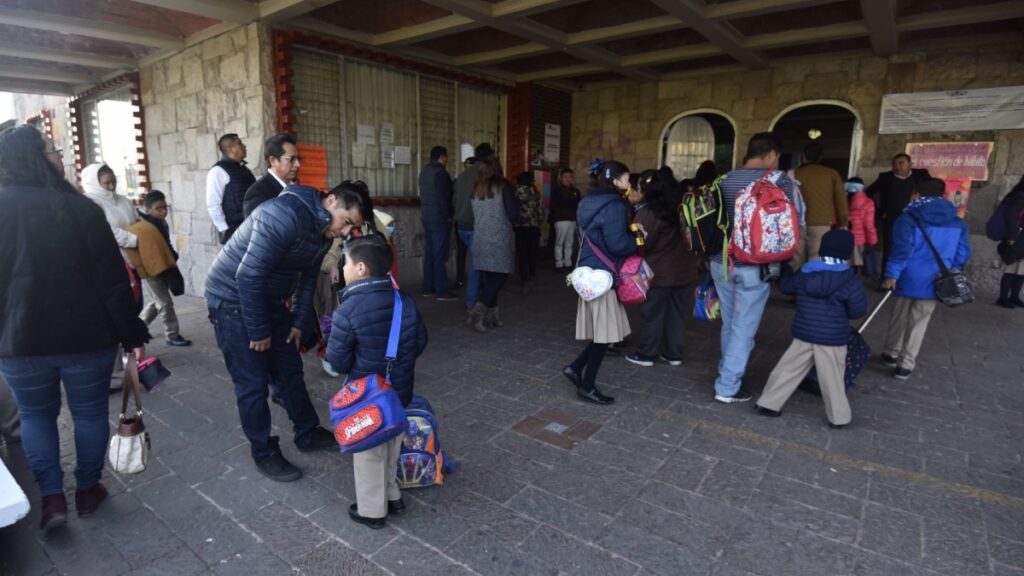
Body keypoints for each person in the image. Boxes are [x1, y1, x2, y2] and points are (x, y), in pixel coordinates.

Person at [0, 125, 150, 530]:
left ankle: (52, 500)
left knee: (35, 417)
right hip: (87, 338)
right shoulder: (80, 209)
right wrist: (132, 335)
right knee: (87, 413)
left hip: (19, 342)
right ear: (35, 156)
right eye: (52, 150)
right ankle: (87, 490)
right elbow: (112, 283)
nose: (59, 156)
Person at [205, 182, 366, 481]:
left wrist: (298, 322)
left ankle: (307, 432)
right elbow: (248, 275)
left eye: (351, 227)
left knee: (290, 368)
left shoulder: (322, 230)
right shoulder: (283, 214)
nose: (345, 232)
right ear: (330, 201)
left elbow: (306, 280)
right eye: (346, 222)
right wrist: (258, 330)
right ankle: (263, 452)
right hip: (232, 300)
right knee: (253, 382)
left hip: (267, 299)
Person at [325, 236, 428, 529]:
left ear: (360, 268)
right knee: (393, 441)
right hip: (399, 391)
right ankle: (393, 495)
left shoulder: (347, 311)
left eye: (344, 263)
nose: (342, 269)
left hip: (366, 398)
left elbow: (338, 361)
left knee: (369, 451)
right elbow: (420, 342)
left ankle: (372, 511)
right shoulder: (404, 301)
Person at [709, 132, 796, 404]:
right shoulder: (778, 180)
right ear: (771, 154)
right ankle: (727, 387)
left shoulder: (722, 180)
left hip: (720, 261)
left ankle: (728, 370)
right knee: (743, 328)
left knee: (731, 323)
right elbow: (791, 222)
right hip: (755, 265)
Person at [754, 230, 866, 427]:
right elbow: (857, 311)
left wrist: (787, 270)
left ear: (822, 248)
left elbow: (787, 288)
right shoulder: (851, 280)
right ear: (847, 253)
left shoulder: (805, 271)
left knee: (787, 370)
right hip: (833, 338)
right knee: (832, 379)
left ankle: (768, 404)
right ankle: (838, 418)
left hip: (804, 333)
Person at [880, 178, 971, 380]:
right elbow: (963, 253)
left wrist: (892, 274)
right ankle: (905, 364)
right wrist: (951, 269)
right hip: (936, 280)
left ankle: (891, 353)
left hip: (907, 277)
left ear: (917, 194)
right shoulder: (957, 222)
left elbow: (902, 251)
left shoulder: (907, 219)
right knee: (919, 320)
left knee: (899, 315)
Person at [562, 160, 637, 405]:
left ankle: (575, 369)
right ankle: (587, 386)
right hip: (603, 275)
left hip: (590, 271)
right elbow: (616, 244)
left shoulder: (589, 201)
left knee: (602, 333)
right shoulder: (614, 205)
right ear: (615, 180)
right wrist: (637, 241)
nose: (629, 183)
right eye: (626, 178)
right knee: (604, 336)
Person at [625, 171, 699, 368]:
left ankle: (647, 354)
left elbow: (642, 244)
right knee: (676, 314)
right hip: (686, 272)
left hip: (659, 273)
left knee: (653, 313)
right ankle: (673, 354)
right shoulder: (685, 208)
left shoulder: (649, 212)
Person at [468, 157, 520, 332]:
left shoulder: (477, 188)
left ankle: (493, 316)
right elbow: (513, 214)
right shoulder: (503, 187)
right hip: (499, 239)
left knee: (491, 277)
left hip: (480, 238)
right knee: (500, 276)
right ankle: (478, 312)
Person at [135, 191, 190, 347]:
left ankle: (139, 326)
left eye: (165, 207)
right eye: (158, 208)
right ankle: (172, 334)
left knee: (157, 300)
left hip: (164, 265)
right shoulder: (142, 226)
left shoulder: (162, 223)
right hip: (150, 269)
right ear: (148, 210)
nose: (163, 211)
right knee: (165, 302)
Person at [867, 153, 930, 268]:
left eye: (901, 163)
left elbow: (932, 193)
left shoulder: (921, 176)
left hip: (915, 219)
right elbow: (867, 194)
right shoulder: (885, 178)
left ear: (910, 164)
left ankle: (905, 280)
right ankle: (886, 282)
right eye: (894, 164)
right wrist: (879, 213)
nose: (897, 166)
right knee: (890, 249)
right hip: (892, 219)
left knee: (914, 248)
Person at [454, 143, 494, 310]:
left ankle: (477, 295)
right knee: (476, 265)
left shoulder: (462, 176)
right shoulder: (485, 175)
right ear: (489, 156)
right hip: (476, 225)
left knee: (475, 262)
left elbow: (454, 200)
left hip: (461, 225)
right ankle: (472, 300)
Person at [795, 142, 848, 259]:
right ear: (821, 157)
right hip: (822, 222)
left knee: (796, 260)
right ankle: (813, 277)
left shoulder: (794, 174)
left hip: (795, 222)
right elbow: (841, 200)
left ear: (803, 156)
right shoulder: (832, 174)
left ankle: (796, 277)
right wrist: (843, 222)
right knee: (816, 257)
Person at [418, 145, 457, 301]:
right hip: (440, 220)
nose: (447, 160)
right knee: (440, 255)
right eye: (446, 157)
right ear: (442, 156)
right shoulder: (440, 173)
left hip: (427, 217)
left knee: (430, 254)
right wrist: (448, 216)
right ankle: (441, 291)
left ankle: (428, 288)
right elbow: (443, 198)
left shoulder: (424, 172)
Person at [206, 133, 256, 244]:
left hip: (251, 227)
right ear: (230, 149)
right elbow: (213, 203)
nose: (244, 146)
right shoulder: (217, 171)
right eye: (239, 143)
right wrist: (224, 229)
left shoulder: (244, 169)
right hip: (234, 231)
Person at [243, 133, 300, 217]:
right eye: (291, 159)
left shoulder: (296, 189)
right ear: (273, 160)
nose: (298, 164)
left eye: (298, 159)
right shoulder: (257, 193)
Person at [995, 176, 1024, 308]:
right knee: (1011, 269)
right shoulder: (1020, 197)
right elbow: (1011, 216)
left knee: (1021, 271)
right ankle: (1003, 298)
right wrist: (1011, 238)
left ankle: (1014, 296)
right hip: (1017, 239)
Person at [514, 171, 544, 293]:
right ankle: (532, 272)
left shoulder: (515, 191)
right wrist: (540, 221)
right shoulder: (535, 191)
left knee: (521, 252)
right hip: (534, 226)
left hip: (520, 225)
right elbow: (539, 209)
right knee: (532, 250)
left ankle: (524, 277)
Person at [845, 177, 878, 278]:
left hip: (842, 238)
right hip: (859, 240)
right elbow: (869, 225)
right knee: (856, 265)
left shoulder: (842, 200)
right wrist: (872, 240)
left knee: (844, 265)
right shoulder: (868, 202)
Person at [550, 168, 581, 269]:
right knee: (559, 242)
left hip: (572, 219)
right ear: (561, 178)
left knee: (569, 242)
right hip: (561, 219)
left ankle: (568, 262)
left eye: (570, 177)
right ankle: (559, 262)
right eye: (565, 177)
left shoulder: (576, 191)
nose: (568, 179)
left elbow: (578, 205)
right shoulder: (557, 190)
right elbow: (558, 204)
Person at [453, 157, 475, 289]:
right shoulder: (476, 182)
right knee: (464, 252)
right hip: (467, 222)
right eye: (466, 166)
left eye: (470, 166)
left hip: (462, 221)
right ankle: (461, 279)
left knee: (468, 253)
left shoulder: (459, 181)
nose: (468, 169)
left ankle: (461, 280)